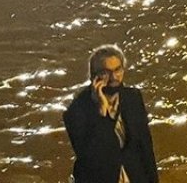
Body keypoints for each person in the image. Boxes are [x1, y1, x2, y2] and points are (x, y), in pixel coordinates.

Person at [64, 45, 159, 183]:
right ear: (93, 76)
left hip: (134, 176)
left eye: (117, 70)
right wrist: (102, 113)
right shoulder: (77, 111)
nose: (114, 77)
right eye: (106, 72)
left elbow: (145, 147)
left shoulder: (133, 98)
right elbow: (91, 157)